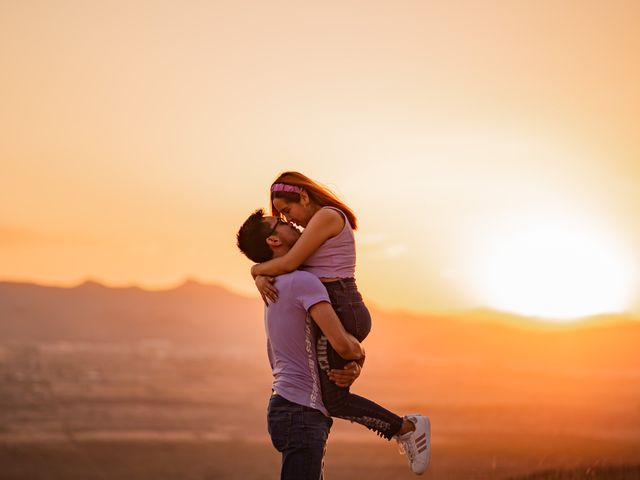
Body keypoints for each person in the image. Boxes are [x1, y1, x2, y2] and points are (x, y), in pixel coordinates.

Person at [238, 207, 430, 476]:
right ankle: (405, 428)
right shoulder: (304, 282)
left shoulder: (275, 283)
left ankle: (403, 428)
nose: (290, 223)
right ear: (274, 240)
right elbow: (342, 344)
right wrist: (359, 355)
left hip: (285, 406)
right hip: (301, 410)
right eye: (280, 222)